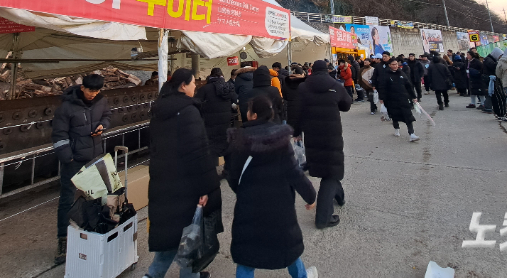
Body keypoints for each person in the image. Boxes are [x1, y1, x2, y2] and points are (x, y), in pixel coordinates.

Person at [227, 97, 319, 278]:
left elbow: (232, 175)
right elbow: (294, 173)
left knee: (247, 253)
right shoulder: (281, 140)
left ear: (253, 115)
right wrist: (310, 196)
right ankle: (301, 276)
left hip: (249, 203)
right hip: (279, 203)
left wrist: (243, 192)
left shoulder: (238, 139)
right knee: (287, 245)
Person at [145, 69, 221, 278]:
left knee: (170, 240)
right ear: (183, 86)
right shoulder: (189, 111)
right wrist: (205, 188)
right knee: (189, 239)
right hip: (186, 185)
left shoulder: (159, 110)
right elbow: (198, 153)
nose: (196, 86)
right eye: (193, 83)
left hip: (163, 182)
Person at [52, 74, 111, 265]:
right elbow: (59, 134)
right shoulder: (66, 107)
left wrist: (103, 126)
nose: (94, 94)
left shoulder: (101, 102)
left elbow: (107, 116)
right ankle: (63, 240)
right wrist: (67, 157)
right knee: (67, 199)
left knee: (97, 196)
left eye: (97, 91)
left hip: (94, 156)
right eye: (91, 90)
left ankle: (95, 232)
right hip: (74, 160)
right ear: (82, 88)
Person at [293, 60, 352, 229]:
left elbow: (297, 110)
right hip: (331, 133)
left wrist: (296, 132)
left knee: (327, 167)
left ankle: (339, 196)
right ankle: (323, 218)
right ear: (326, 70)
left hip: (311, 134)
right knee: (331, 172)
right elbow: (346, 105)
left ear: (311, 70)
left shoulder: (303, 87)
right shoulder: (335, 85)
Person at [196, 67, 238, 158]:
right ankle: (224, 160)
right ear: (222, 75)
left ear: (210, 76)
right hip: (226, 118)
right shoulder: (229, 86)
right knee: (224, 138)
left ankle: (213, 160)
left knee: (212, 140)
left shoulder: (204, 89)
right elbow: (235, 99)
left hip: (209, 119)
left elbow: (197, 103)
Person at [376, 58, 419, 142]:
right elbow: (382, 87)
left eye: (396, 64)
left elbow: (408, 86)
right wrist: (382, 98)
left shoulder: (402, 73)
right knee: (394, 115)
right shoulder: (385, 75)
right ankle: (396, 128)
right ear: (389, 65)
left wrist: (413, 97)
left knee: (408, 116)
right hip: (391, 99)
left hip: (403, 98)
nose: (395, 66)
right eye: (393, 64)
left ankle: (412, 134)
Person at [482, 48, 505, 116]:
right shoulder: (489, 60)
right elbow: (493, 66)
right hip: (490, 79)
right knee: (492, 93)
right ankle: (488, 107)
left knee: (492, 93)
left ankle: (488, 107)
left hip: (491, 78)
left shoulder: (489, 59)